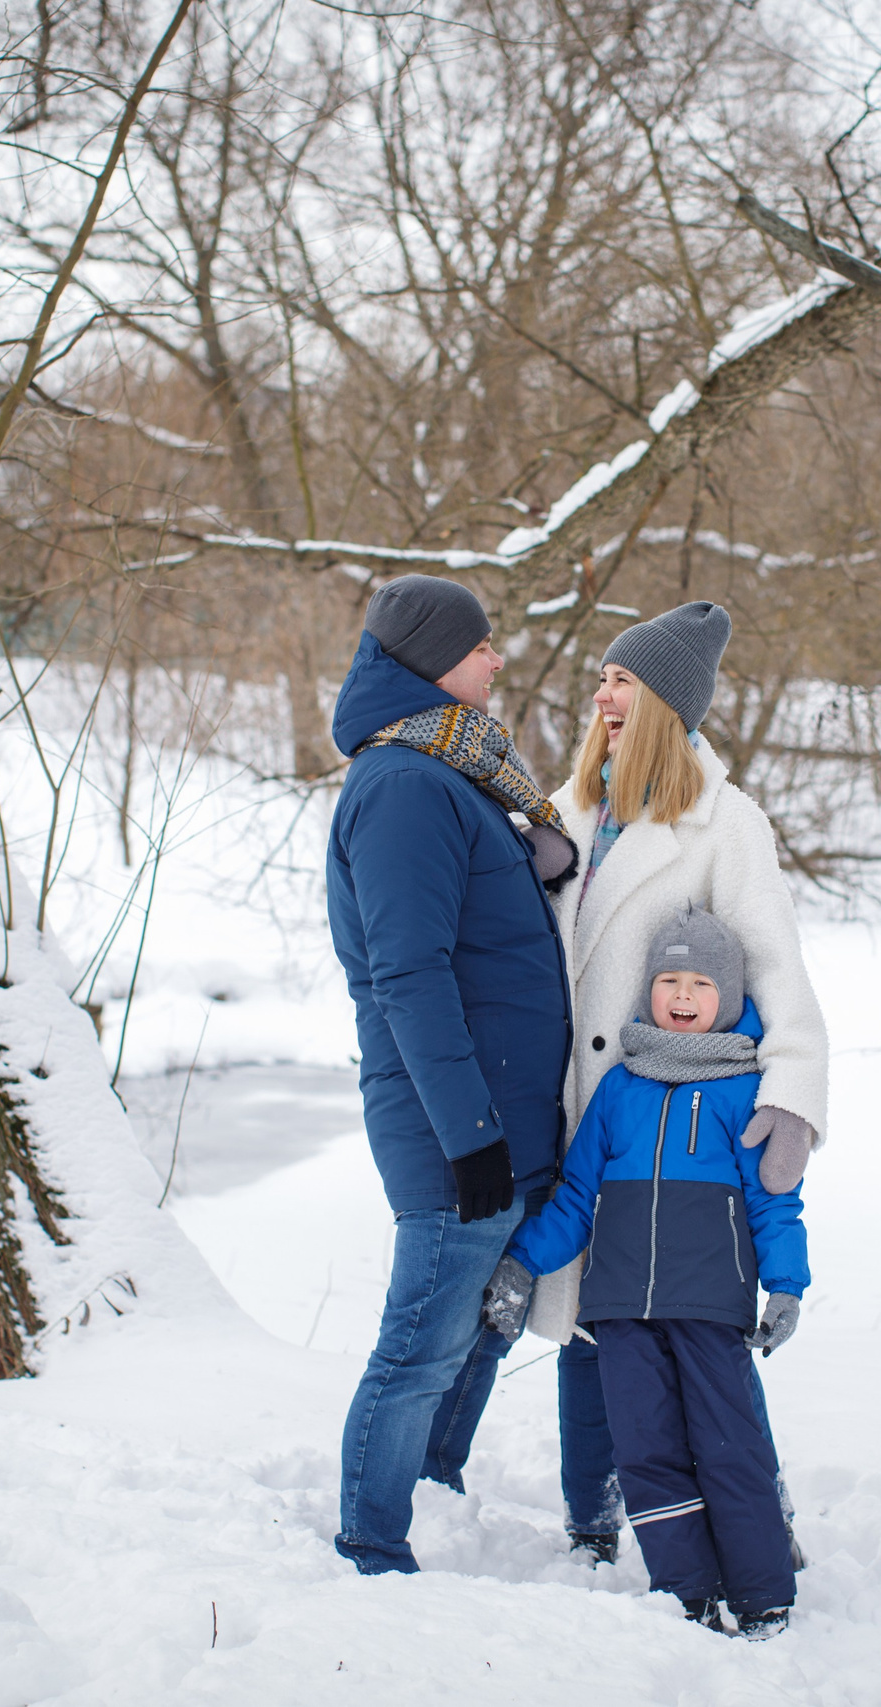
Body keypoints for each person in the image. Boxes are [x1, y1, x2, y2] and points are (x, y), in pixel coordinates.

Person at [534, 601, 829, 1561]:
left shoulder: (724, 824)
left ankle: (752, 1518)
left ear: (663, 700)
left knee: (695, 1349)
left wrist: (790, 1090)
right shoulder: (569, 806)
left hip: (674, 1129)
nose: (602, 694)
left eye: (621, 680)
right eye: (602, 678)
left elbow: (774, 964)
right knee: (586, 1321)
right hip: (579, 1115)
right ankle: (592, 1517)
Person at [323, 573, 577, 1576]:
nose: (496, 657)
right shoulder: (401, 787)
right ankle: (372, 1544)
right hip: (454, 1125)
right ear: (432, 659)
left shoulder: (460, 773)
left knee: (480, 1335)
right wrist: (470, 1136)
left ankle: (432, 1497)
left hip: (507, 1118)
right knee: (424, 1344)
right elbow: (408, 974)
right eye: (481, 644)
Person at [482, 904, 807, 1639]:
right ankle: (686, 1592)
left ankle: (763, 1597)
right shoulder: (619, 1090)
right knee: (645, 1451)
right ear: (648, 988)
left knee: (730, 1448)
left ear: (726, 995)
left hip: (710, 1308)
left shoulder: (743, 1093)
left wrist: (787, 1286)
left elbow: (777, 1203)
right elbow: (574, 1196)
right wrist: (521, 1265)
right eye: (670, 979)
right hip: (622, 1311)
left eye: (700, 982)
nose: (684, 995)